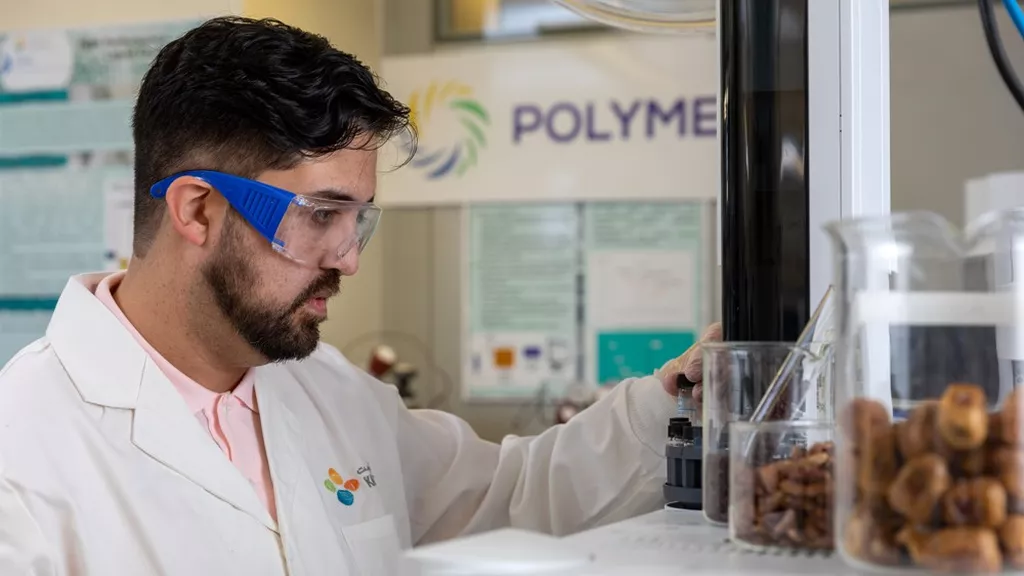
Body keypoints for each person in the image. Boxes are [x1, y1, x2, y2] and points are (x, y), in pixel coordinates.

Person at [0, 16, 722, 576]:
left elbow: (513, 493)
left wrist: (677, 395)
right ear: (197, 210)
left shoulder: (329, 391)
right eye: (320, 216)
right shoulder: (23, 455)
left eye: (358, 221)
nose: (347, 259)